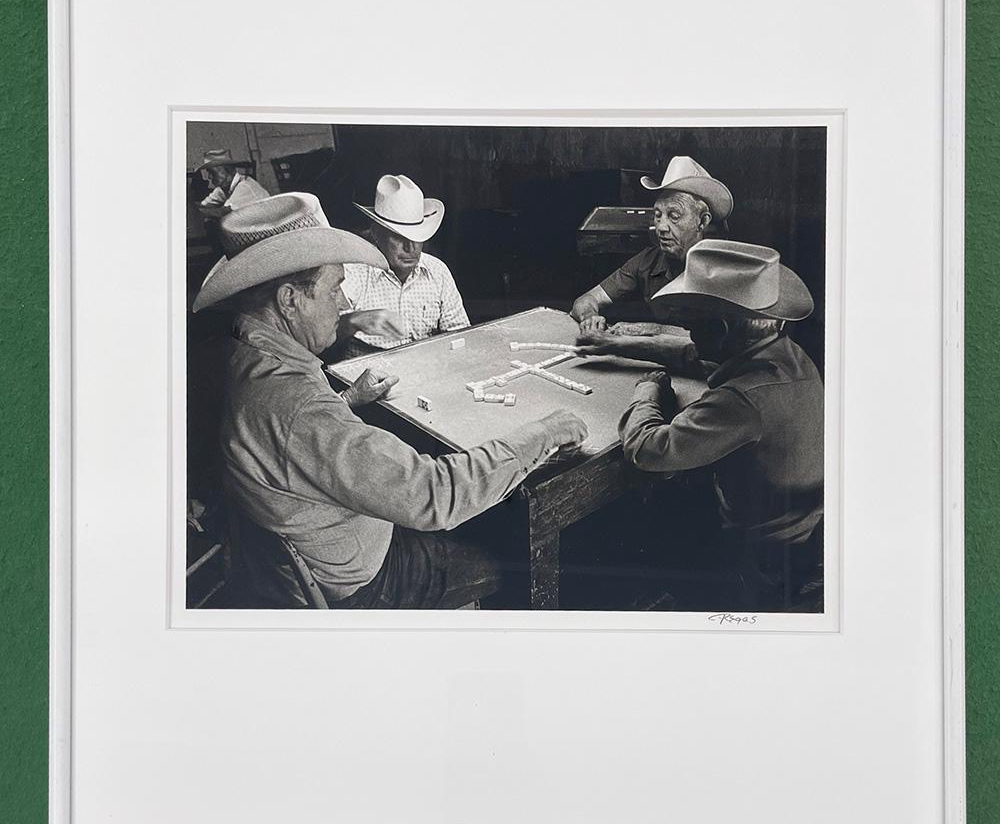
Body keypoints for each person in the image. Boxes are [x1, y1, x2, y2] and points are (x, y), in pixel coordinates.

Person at [192, 192, 587, 609]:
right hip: (364, 582)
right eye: (334, 289)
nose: (344, 303)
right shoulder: (298, 401)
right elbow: (434, 494)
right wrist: (545, 431)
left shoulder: (245, 351)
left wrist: (346, 399)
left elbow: (288, 439)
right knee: (510, 550)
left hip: (314, 541)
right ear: (290, 300)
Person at [617, 239, 824, 611]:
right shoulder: (788, 357)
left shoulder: (742, 400)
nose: (691, 334)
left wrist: (647, 391)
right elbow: (700, 357)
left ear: (723, 329)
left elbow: (647, 449)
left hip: (760, 562)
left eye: (695, 325)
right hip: (800, 535)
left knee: (636, 529)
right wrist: (615, 345)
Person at [570, 155, 732, 335]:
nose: (661, 227)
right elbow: (586, 299)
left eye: (674, 216)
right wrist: (589, 317)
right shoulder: (648, 260)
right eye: (658, 214)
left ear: (702, 222)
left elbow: (721, 338)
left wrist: (654, 330)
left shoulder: (722, 268)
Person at [339, 173, 470, 352]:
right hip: (367, 372)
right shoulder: (353, 272)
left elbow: (459, 333)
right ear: (377, 233)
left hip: (427, 366)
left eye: (418, 237)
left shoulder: (437, 271)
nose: (410, 248)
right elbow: (323, 338)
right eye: (399, 237)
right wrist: (352, 321)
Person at [198, 149, 269, 219]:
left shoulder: (244, 185)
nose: (209, 177)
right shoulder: (224, 187)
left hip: (266, 224)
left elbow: (223, 212)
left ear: (229, 171)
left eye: (212, 172)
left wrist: (196, 213)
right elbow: (204, 205)